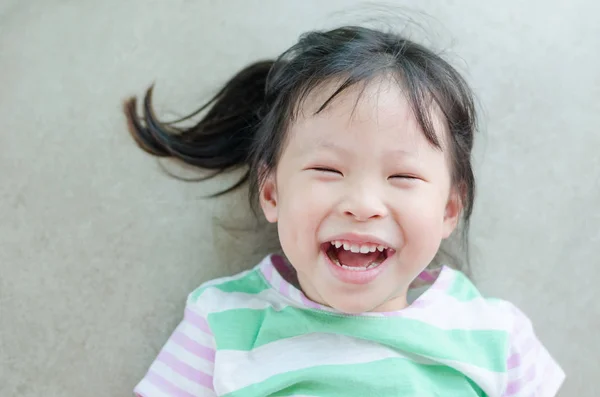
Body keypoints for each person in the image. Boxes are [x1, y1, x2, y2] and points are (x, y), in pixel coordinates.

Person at [124, 25, 564, 396]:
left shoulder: (494, 335)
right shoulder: (223, 322)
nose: (362, 205)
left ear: (450, 208)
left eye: (402, 177)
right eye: (328, 169)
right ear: (273, 192)